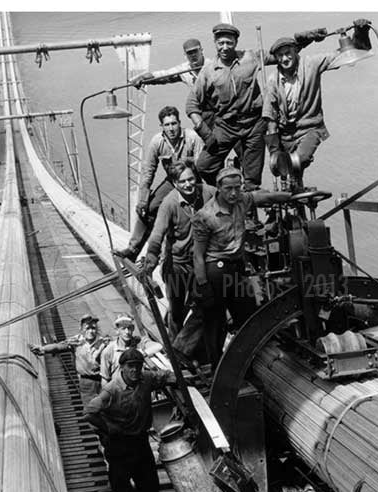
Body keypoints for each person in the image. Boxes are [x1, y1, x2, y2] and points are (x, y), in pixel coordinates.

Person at [192, 167, 290, 368]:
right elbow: (198, 256)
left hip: (237, 267)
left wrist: (290, 195)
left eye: (237, 188)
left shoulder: (241, 201)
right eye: (229, 188)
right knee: (215, 322)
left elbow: (264, 198)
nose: (234, 193)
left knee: (248, 315)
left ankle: (252, 360)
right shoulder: (205, 216)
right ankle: (216, 365)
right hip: (215, 270)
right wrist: (203, 285)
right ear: (218, 188)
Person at [263, 20, 372, 189]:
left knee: (299, 160)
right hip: (286, 135)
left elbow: (346, 53)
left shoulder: (312, 64)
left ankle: (295, 183)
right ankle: (296, 202)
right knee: (289, 176)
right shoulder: (272, 81)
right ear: (276, 59)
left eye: (288, 53)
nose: (285, 59)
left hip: (310, 128)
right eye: (280, 56)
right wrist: (274, 152)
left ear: (295, 52)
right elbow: (270, 118)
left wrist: (361, 33)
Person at [84, 348, 176, 492]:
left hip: (140, 443)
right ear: (122, 368)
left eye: (138, 366)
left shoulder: (146, 379)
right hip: (118, 447)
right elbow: (90, 412)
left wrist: (180, 380)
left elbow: (165, 376)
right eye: (130, 367)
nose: (135, 370)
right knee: (122, 490)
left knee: (150, 487)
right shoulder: (111, 389)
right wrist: (108, 427)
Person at [186, 23, 277, 190]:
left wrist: (302, 41)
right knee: (204, 167)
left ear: (236, 42)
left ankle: (248, 203)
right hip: (226, 126)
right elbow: (191, 105)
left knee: (252, 180)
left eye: (229, 42)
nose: (225, 47)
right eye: (221, 43)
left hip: (254, 125)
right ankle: (227, 191)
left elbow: (280, 54)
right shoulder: (208, 71)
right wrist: (205, 132)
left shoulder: (250, 57)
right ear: (215, 43)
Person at [143, 160, 213, 362]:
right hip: (176, 266)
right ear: (175, 183)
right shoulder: (169, 203)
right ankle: (177, 356)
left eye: (191, 179)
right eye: (183, 181)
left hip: (199, 264)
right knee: (176, 312)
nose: (189, 184)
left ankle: (179, 351)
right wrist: (151, 258)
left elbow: (230, 198)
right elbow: (157, 234)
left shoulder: (208, 193)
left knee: (205, 305)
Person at [116, 106, 203, 261]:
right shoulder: (157, 142)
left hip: (193, 181)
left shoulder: (192, 138)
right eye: (167, 125)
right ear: (162, 126)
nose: (171, 128)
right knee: (148, 209)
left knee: (197, 214)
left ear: (179, 123)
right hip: (172, 181)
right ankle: (133, 249)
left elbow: (203, 168)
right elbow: (148, 171)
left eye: (174, 124)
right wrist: (142, 200)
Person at [30, 314, 109, 407]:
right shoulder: (77, 341)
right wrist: (43, 349)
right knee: (91, 409)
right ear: (82, 328)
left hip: (104, 380)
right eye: (87, 328)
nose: (91, 331)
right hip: (87, 382)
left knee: (106, 408)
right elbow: (59, 346)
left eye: (93, 328)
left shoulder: (103, 342)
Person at [131, 38, 206, 89]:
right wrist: (142, 78)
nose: (193, 55)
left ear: (201, 50)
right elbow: (163, 75)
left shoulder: (212, 65)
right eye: (189, 53)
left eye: (195, 51)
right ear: (185, 55)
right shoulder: (183, 69)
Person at [100, 313, 142, 389]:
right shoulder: (108, 351)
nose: (127, 332)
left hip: (137, 390)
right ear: (117, 330)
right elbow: (105, 378)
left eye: (129, 328)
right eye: (123, 328)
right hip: (119, 392)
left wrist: (143, 353)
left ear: (133, 329)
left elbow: (158, 346)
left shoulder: (138, 344)